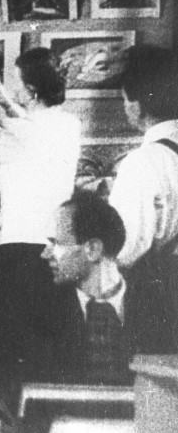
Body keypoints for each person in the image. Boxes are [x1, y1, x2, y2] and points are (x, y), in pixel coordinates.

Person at [0, 48, 81, 393]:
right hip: (59, 250)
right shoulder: (69, 125)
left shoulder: (17, 133)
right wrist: (5, 101)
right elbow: (31, 126)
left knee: (12, 355)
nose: (10, 85)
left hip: (19, 252)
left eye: (15, 80)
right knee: (53, 353)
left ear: (31, 90)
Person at [38, 192, 174, 385]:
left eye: (55, 243)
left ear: (93, 249)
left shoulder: (162, 310)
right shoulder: (41, 312)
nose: (45, 254)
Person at [107, 45, 178, 346]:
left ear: (136, 106)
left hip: (164, 294)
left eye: (125, 99)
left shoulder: (144, 161)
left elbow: (125, 245)